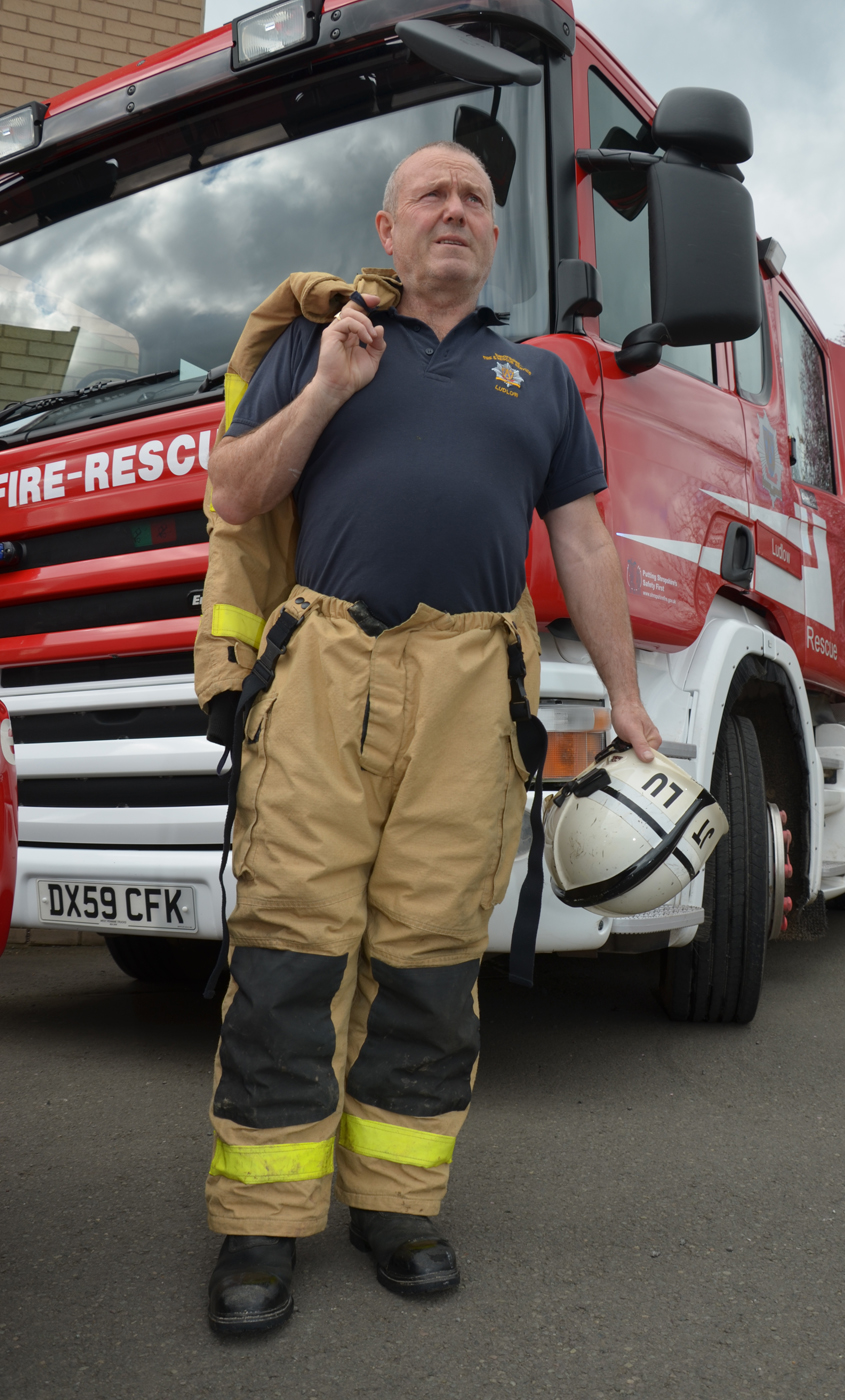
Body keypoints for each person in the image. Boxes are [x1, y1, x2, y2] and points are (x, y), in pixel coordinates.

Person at [204, 140, 661, 1334]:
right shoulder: (318, 341)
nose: (454, 211)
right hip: (324, 671)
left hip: (473, 682)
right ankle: (261, 1227)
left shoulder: (542, 381)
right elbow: (238, 494)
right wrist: (328, 390)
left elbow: (586, 543)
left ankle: (398, 1204)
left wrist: (626, 700)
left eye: (474, 200)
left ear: (493, 235)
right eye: (431, 197)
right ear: (389, 227)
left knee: (430, 955)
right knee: (292, 942)